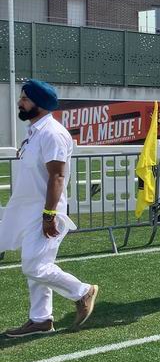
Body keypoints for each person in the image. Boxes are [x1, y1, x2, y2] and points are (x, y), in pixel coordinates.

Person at [0, 80, 98, 337]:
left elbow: (57, 176)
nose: (19, 102)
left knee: (34, 267)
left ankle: (82, 291)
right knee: (37, 265)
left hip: (44, 211)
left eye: (25, 99)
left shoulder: (52, 133)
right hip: (27, 209)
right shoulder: (35, 132)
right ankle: (41, 319)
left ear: (40, 104)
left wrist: (49, 214)